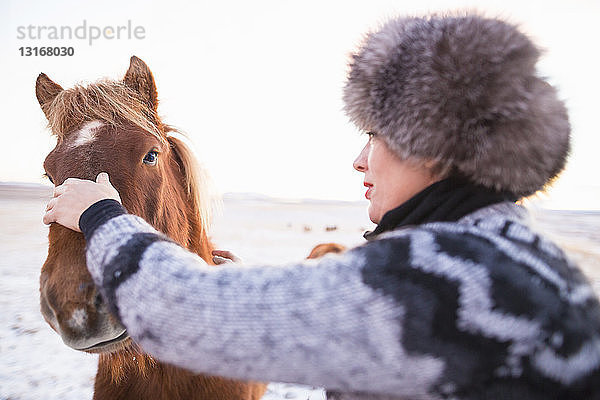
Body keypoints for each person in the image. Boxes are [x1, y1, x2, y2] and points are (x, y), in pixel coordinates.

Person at [43, 13, 600, 399]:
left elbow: (204, 317)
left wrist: (100, 216)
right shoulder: (515, 253)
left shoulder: (450, 275)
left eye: (375, 135)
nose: (359, 160)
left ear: (434, 145)